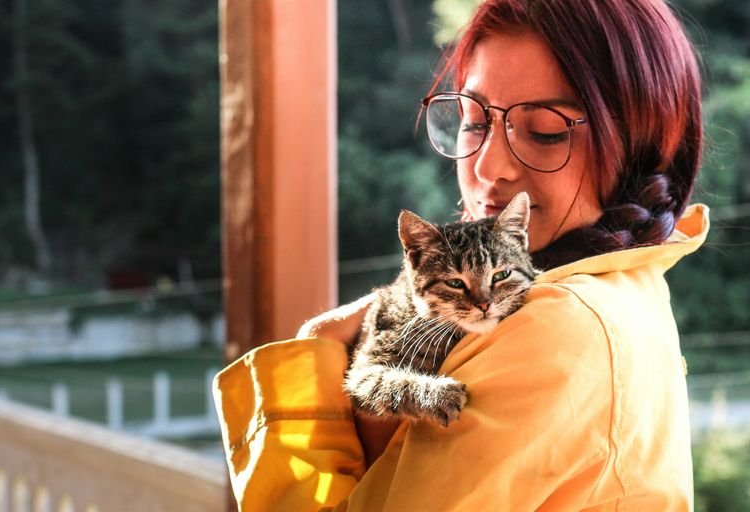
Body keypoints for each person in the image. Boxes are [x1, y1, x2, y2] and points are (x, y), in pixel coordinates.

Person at [213, 0, 710, 510]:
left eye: (544, 131)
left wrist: (309, 362)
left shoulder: (560, 325)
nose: (488, 167)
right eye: (473, 122)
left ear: (639, 146)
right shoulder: (632, 282)